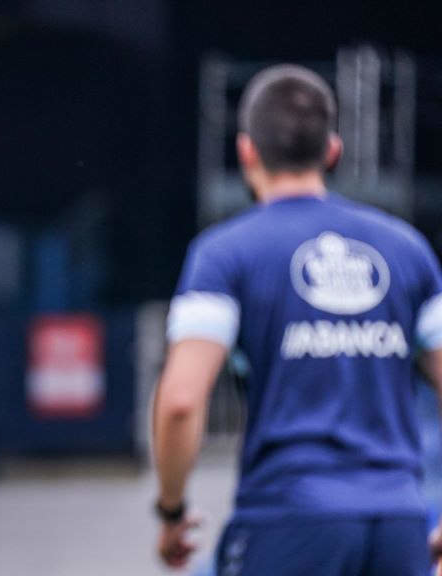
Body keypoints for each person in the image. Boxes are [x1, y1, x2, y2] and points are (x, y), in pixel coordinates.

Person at [152, 64, 442, 575]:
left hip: (288, 521)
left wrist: (172, 511)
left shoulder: (224, 254)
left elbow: (179, 402)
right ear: (333, 150)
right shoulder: (408, 250)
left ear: (247, 151)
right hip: (398, 523)